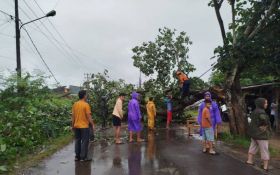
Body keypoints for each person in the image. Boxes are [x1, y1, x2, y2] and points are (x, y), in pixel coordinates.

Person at [246, 98, 272, 171]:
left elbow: (251, 121)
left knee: (253, 146)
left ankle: (249, 161)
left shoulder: (254, 111)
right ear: (261, 104)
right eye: (265, 103)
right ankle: (265, 166)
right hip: (261, 135)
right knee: (264, 150)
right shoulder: (261, 112)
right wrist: (265, 125)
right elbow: (265, 121)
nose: (267, 104)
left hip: (254, 134)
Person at [71, 90, 95, 161]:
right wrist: (92, 124)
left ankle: (77, 156)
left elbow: (73, 116)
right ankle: (83, 157)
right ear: (84, 96)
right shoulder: (86, 104)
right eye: (86, 95)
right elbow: (89, 116)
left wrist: (72, 125)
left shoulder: (75, 104)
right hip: (84, 126)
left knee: (77, 141)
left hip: (76, 126)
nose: (87, 96)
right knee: (85, 141)